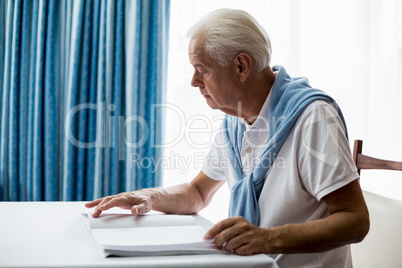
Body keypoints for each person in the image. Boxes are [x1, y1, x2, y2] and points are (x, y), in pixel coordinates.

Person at [85, 9, 369, 267]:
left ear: (241, 66)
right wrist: (149, 196)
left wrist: (268, 239)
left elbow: (355, 221)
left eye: (202, 69)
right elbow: (198, 192)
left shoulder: (313, 116)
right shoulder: (236, 121)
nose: (194, 82)